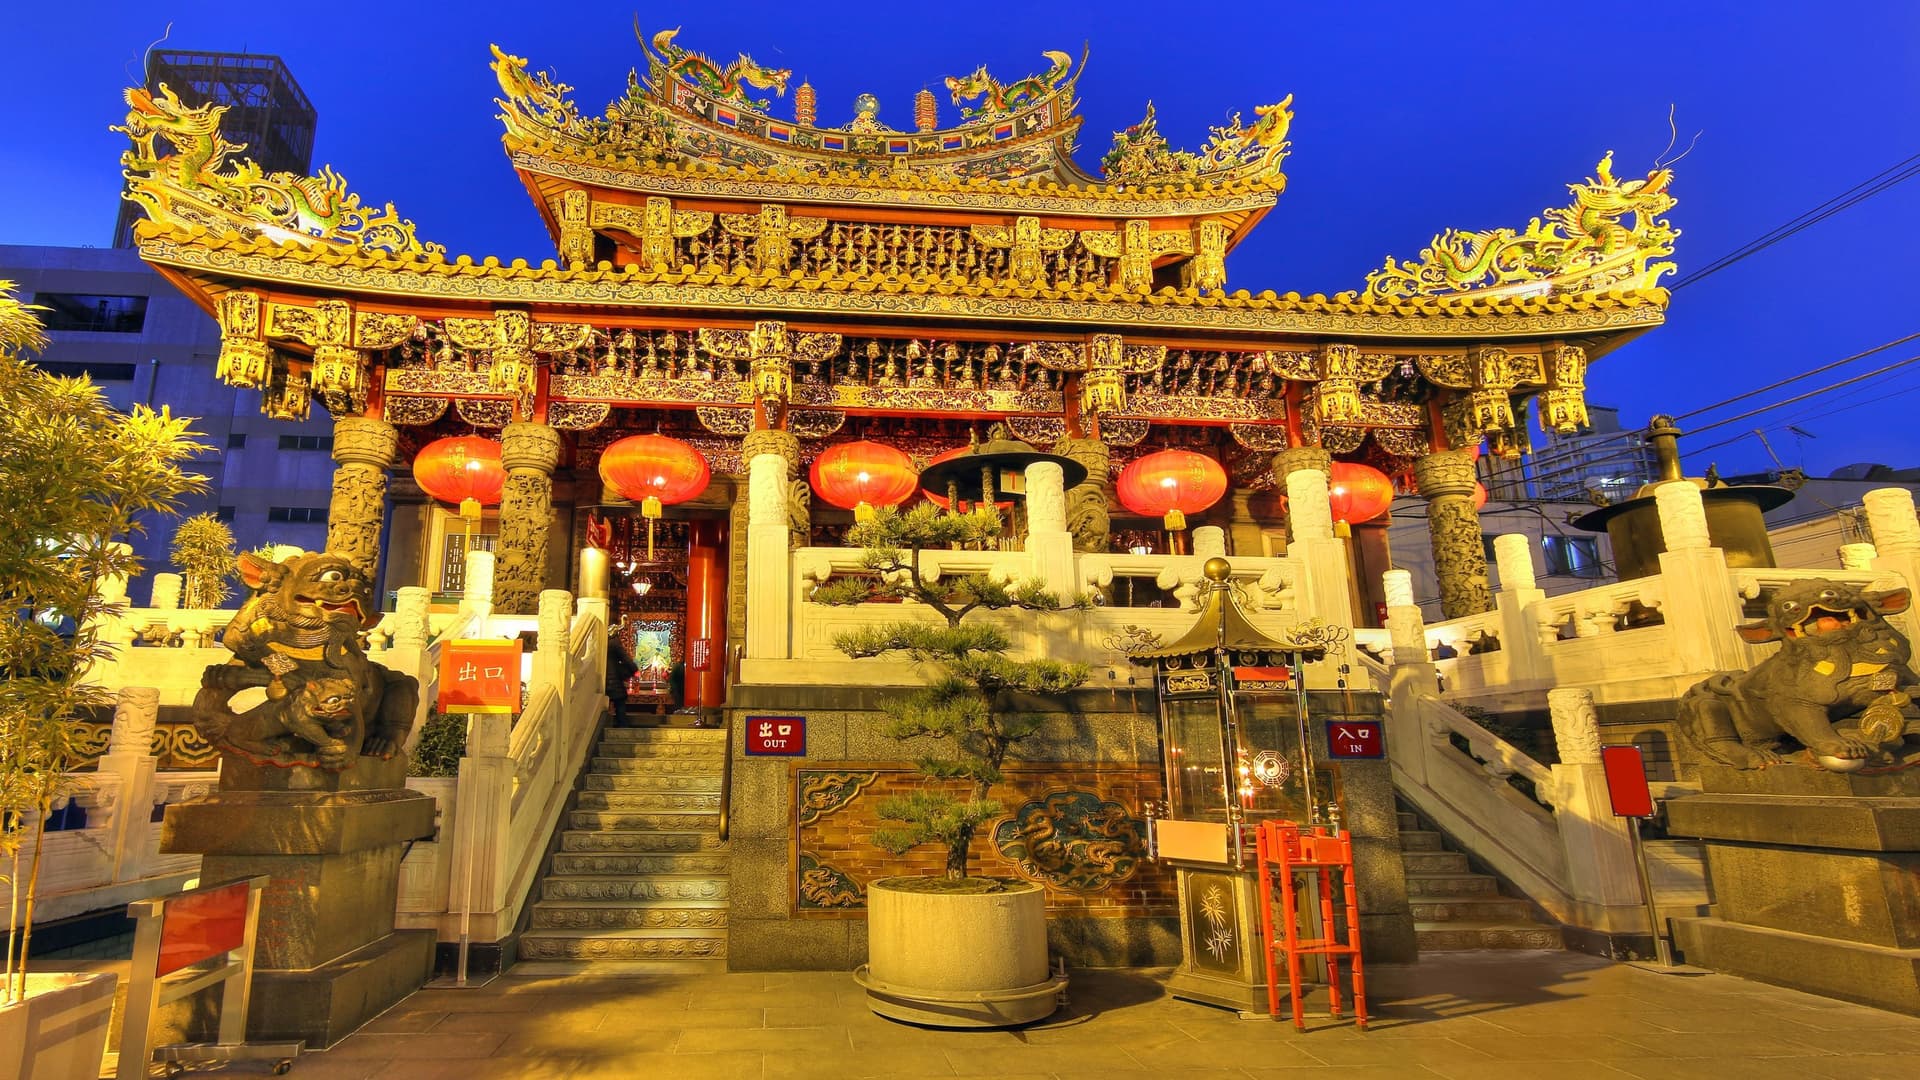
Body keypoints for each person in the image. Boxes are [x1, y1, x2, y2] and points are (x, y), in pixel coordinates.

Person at [606, 628, 640, 724]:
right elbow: (625, 658)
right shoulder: (614, 643)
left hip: (605, 678)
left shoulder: (605, 642)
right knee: (620, 704)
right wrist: (635, 670)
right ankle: (622, 725)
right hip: (613, 679)